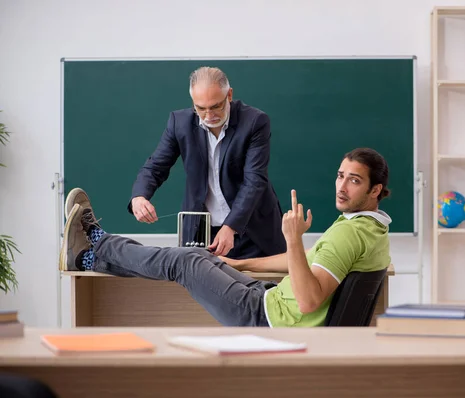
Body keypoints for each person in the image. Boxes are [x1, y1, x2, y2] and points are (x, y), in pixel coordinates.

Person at [60, 148, 391, 327]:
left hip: (268, 316)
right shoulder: (372, 228)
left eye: (354, 181)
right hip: (273, 299)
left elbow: (308, 301)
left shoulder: (349, 232)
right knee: (204, 256)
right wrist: (242, 263)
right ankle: (88, 258)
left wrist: (291, 240)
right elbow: (310, 265)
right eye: (340, 176)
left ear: (375, 189)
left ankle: (97, 240)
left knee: (185, 260)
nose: (341, 186)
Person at [128, 66, 285, 259]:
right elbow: (156, 166)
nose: (209, 116)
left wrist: (231, 226)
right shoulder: (180, 122)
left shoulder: (255, 121)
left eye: (215, 106)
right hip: (201, 233)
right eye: (201, 108)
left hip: (252, 231)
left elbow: (254, 180)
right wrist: (139, 197)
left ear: (229, 95)